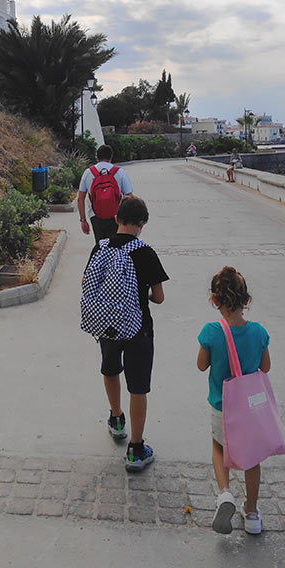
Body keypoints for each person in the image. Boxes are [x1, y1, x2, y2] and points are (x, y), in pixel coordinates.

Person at [83, 196, 168, 471]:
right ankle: (135, 448)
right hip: (138, 327)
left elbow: (86, 282)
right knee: (139, 386)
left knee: (110, 369)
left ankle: (116, 419)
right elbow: (159, 297)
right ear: (143, 223)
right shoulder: (145, 252)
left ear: (116, 219)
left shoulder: (101, 247)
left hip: (106, 324)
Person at [196, 266, 271, 535]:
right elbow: (265, 367)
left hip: (221, 406)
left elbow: (201, 365)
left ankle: (225, 493)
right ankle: (251, 513)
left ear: (214, 300)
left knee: (219, 447)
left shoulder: (211, 332)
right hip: (250, 409)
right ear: (246, 300)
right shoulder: (259, 332)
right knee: (252, 459)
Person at [78, 144, 133, 244]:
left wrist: (83, 220)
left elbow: (80, 198)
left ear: (97, 157)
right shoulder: (119, 172)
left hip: (95, 215)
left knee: (100, 246)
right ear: (111, 157)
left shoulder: (88, 172)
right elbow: (129, 196)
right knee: (116, 246)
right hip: (116, 216)